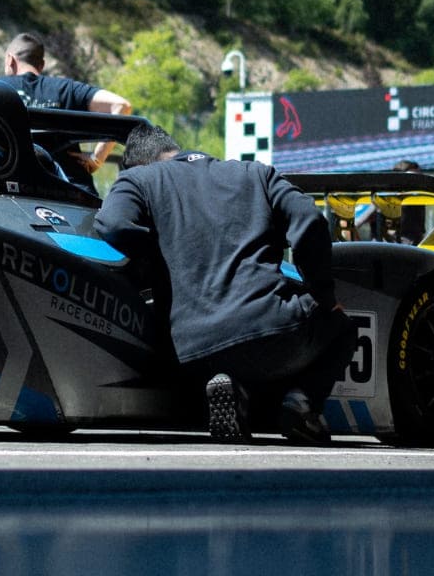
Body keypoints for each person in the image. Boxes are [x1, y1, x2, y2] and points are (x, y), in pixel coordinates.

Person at [93, 123, 346, 444]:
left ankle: (232, 389)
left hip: (189, 347)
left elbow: (113, 223)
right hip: (271, 328)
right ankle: (301, 405)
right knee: (340, 326)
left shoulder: (138, 179)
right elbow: (310, 219)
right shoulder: (257, 173)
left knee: (221, 363)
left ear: (137, 164)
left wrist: (160, 255)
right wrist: (322, 294)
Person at [0, 33, 131, 186]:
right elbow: (121, 105)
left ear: (10, 60)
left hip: (14, 187)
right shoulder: (66, 88)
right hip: (71, 190)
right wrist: (97, 158)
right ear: (41, 65)